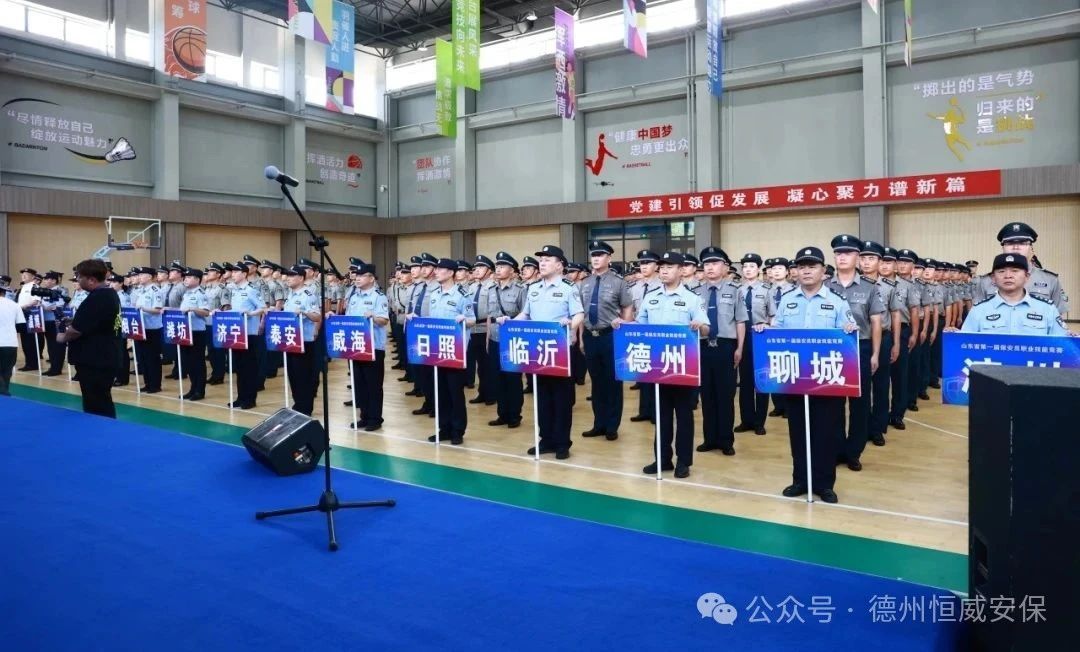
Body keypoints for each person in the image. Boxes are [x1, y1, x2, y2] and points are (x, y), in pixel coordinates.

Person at [757, 246, 857, 504]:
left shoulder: (837, 301)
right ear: (796, 272)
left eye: (812, 266)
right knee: (798, 431)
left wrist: (849, 329)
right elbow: (777, 332)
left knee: (826, 432)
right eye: (802, 267)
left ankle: (824, 484)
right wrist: (765, 330)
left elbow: (847, 338)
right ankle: (800, 480)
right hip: (796, 378)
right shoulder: (787, 300)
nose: (806, 271)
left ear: (823, 271)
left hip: (826, 378)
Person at [621, 251, 710, 478]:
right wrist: (623, 325)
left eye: (669, 267)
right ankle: (662, 459)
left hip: (683, 365)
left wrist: (700, 325)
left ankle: (683, 461)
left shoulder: (692, 298)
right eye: (662, 267)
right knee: (661, 415)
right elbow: (640, 326)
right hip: (657, 366)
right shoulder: (651, 297)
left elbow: (707, 330)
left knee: (684, 415)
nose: (664, 271)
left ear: (681, 270)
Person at [499, 244, 584, 459]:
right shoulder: (534, 288)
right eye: (541, 260)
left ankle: (562, 443)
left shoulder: (568, 287)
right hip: (537, 351)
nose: (542, 263)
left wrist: (570, 326)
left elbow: (579, 314)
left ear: (559, 265)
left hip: (560, 350)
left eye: (547, 260)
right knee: (542, 397)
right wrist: (511, 321)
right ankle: (545, 439)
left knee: (561, 398)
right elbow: (525, 314)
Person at [827, 235, 884, 473]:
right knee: (833, 403)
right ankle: (836, 449)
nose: (842, 257)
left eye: (848, 253)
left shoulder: (869, 288)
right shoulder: (825, 285)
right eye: (838, 253)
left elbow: (876, 322)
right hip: (831, 349)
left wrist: (875, 354)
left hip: (860, 347)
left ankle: (854, 452)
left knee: (859, 404)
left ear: (857, 258)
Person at [693, 246, 746, 456]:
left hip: (726, 347)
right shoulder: (696, 292)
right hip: (702, 347)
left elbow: (740, 321)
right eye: (706, 264)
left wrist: (739, 348)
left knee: (725, 395)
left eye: (715, 263)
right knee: (706, 395)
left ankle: (726, 440)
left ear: (724, 267)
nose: (710, 267)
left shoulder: (735, 290)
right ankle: (710, 439)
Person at [416, 258, 475, 445]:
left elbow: (472, 319)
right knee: (440, 390)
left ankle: (457, 430)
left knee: (454, 391)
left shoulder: (462, 294)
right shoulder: (434, 294)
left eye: (440, 269)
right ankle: (444, 428)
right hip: (437, 350)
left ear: (450, 273)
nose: (436, 272)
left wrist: (464, 319)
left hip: (455, 350)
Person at [579, 240, 633, 441]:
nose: (595, 258)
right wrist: (581, 338)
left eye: (600, 255)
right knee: (596, 382)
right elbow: (581, 312)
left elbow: (627, 306)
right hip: (590, 336)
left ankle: (612, 425)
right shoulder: (585, 283)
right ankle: (599, 423)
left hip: (610, 336)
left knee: (613, 382)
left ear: (609, 258)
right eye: (593, 255)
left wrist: (624, 329)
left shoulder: (618, 282)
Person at [56, 259, 121, 417]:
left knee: (96, 402)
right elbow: (96, 321)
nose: (77, 280)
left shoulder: (98, 298)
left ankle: (101, 429)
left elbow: (76, 331)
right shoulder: (109, 294)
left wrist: (63, 337)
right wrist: (74, 320)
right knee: (100, 399)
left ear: (91, 280)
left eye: (79, 277)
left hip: (96, 359)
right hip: (104, 356)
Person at [954, 254, 1070, 336]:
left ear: (1027, 277)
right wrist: (953, 336)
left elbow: (1062, 346)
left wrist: (1071, 339)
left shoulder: (1047, 309)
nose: (1008, 276)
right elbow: (965, 345)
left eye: (1015, 271)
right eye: (1001, 271)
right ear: (993, 278)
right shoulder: (979, 310)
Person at [858, 241, 901, 447]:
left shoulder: (888, 287)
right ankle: (863, 427)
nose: (866, 262)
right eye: (863, 258)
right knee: (861, 388)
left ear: (879, 261)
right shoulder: (853, 285)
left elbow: (895, 315)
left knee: (881, 386)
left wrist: (896, 343)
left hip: (883, 339)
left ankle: (877, 428)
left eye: (871, 258)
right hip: (859, 340)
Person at [972, 222, 1068, 315]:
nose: (1016, 247)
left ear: (1031, 247)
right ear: (1003, 247)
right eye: (1010, 243)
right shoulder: (986, 281)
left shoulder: (1050, 280)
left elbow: (1057, 316)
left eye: (1022, 243)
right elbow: (978, 314)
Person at [345, 263, 389, 431]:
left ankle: (375, 418)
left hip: (373, 347)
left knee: (373, 385)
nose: (357, 279)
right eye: (356, 276)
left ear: (371, 278)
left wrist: (373, 316)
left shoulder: (379, 297)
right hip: (356, 345)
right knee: (359, 384)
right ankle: (364, 416)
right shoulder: (354, 297)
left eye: (361, 276)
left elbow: (384, 320)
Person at [486, 252, 527, 428]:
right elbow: (490, 317)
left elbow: (526, 314)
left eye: (503, 266)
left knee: (512, 379)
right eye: (497, 266)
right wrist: (488, 339)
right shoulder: (491, 290)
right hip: (495, 339)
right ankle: (502, 414)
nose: (498, 269)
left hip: (513, 340)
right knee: (498, 378)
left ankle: (514, 415)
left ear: (512, 271)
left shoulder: (520, 290)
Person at [882, 248, 921, 431]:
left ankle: (897, 414)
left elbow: (914, 310)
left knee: (899, 375)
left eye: (889, 262)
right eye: (882, 261)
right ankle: (880, 417)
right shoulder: (872, 285)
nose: (884, 265)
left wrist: (914, 333)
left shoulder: (907, 286)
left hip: (903, 331)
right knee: (881, 378)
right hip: (880, 332)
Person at [736, 253, 774, 435]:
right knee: (744, 382)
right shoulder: (737, 290)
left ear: (758, 269)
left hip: (760, 338)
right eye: (745, 266)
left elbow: (773, 316)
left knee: (761, 381)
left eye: (752, 266)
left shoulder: (767, 290)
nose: (748, 269)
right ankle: (746, 420)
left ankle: (759, 422)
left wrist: (767, 325)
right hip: (742, 339)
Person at [281, 265, 322, 416]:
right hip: (290, 340)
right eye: (288, 276)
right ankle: (298, 404)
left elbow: (317, 316)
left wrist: (304, 312)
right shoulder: (290, 294)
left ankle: (305, 407)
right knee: (293, 375)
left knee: (303, 376)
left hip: (304, 342)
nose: (288, 279)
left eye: (292, 276)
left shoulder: (308, 295)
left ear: (300, 278)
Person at [629, 249, 662, 424]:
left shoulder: (663, 285)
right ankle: (645, 410)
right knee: (643, 374)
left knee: (658, 375)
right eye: (642, 263)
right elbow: (631, 311)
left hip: (657, 336)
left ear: (656, 266)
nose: (644, 266)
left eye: (648, 263)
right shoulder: (634, 288)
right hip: (640, 335)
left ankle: (657, 412)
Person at [177, 267, 210, 401]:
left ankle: (199, 391)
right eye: (185, 277)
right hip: (186, 331)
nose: (186, 279)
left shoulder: (201, 294)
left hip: (197, 332)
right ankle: (192, 388)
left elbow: (206, 312)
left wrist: (193, 309)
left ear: (197, 280)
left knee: (198, 362)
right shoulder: (186, 294)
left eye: (189, 277)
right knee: (189, 362)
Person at [467, 255, 496, 405]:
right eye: (476, 267)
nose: (477, 270)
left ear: (489, 270)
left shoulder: (493, 287)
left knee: (488, 364)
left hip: (486, 328)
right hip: (473, 328)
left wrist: (490, 332)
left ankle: (491, 394)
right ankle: (482, 393)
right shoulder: (472, 287)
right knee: (479, 364)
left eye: (481, 267)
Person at [133, 266, 164, 393]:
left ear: (150, 277)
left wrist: (143, 309)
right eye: (139, 275)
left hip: (152, 329)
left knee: (152, 358)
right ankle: (147, 383)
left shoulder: (155, 290)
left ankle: (155, 385)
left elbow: (157, 310)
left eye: (142, 275)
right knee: (143, 358)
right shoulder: (141, 290)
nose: (139, 277)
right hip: (141, 328)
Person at [0, 284, 25, 396]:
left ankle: (3, 393)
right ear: (4, 292)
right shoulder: (15, 305)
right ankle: (4, 395)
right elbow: (21, 326)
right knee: (6, 372)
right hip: (10, 343)